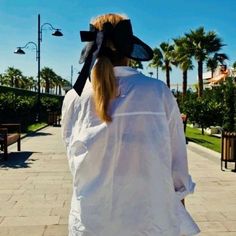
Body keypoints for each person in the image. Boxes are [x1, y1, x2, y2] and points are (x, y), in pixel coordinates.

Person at [61, 13, 200, 236]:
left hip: (90, 221)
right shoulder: (157, 92)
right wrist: (179, 208)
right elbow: (177, 164)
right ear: (129, 51)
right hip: (151, 221)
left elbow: (73, 159)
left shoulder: (74, 98)